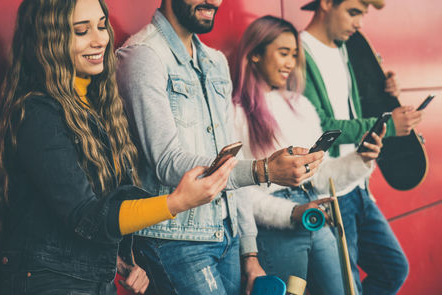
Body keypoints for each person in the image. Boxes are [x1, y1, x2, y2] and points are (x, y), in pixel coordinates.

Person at [0, 0, 237, 294]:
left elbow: (101, 209)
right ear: (48, 39)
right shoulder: (37, 111)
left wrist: (123, 258)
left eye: (102, 26)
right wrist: (177, 202)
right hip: (48, 282)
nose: (100, 39)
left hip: (92, 279)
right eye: (81, 31)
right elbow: (87, 216)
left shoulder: (93, 103)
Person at [116, 1, 324, 294]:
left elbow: (229, 155)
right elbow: (166, 161)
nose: (214, 1)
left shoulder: (215, 62)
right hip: (176, 240)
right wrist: (263, 170)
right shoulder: (142, 56)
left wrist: (249, 253)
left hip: (228, 236)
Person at [231, 15, 386, 294]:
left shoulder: (300, 105)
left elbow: (319, 175)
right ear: (254, 54)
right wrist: (292, 212)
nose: (291, 62)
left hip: (314, 213)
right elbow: (240, 192)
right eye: (283, 53)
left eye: (294, 54)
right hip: (275, 229)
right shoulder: (235, 114)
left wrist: (361, 159)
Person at [300, 0, 420, 293]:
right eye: (353, 12)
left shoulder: (345, 49)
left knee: (393, 270)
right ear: (327, 4)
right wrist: (388, 126)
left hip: (359, 186)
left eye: (363, 15)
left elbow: (357, 107)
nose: (360, 23)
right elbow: (322, 126)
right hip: (330, 191)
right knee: (346, 287)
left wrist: (387, 90)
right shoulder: (299, 51)